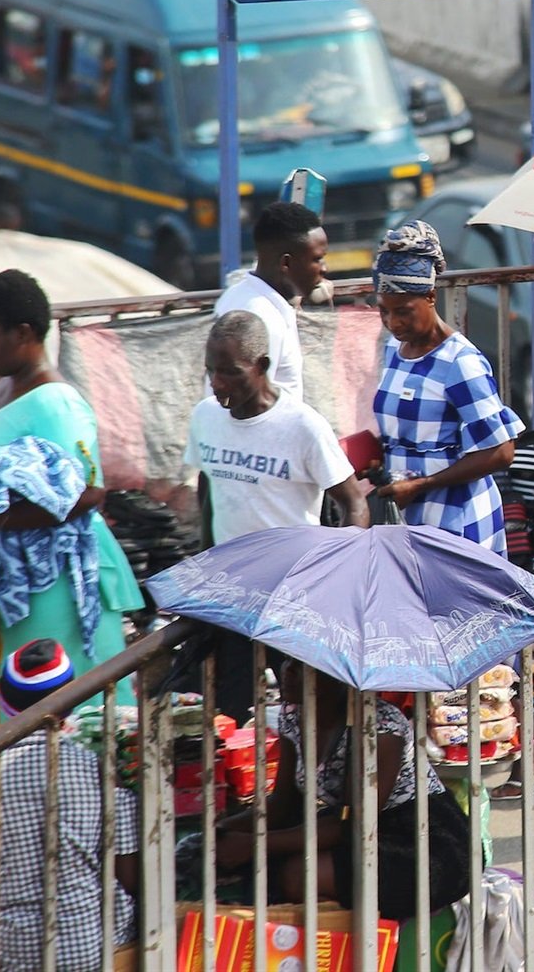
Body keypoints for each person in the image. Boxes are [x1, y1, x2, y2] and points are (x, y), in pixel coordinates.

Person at [0, 271, 142, 750]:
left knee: (63, 725)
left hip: (50, 590)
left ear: (25, 335)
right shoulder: (5, 389)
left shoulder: (55, 401)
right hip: (3, 585)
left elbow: (88, 493)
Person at [184, 311, 368, 720]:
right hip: (231, 592)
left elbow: (353, 502)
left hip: (292, 593)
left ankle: (308, 779)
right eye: (211, 371)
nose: (217, 383)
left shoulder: (301, 426)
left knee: (303, 707)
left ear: (262, 366)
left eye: (230, 372)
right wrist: (204, 559)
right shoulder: (205, 417)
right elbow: (207, 484)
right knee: (230, 710)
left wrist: (341, 570)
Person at [215, 658, 470, 922]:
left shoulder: (378, 725)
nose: (288, 670)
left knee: (297, 874)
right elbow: (283, 802)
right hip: (359, 831)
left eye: (304, 664)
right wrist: (219, 833)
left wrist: (254, 843)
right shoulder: (293, 713)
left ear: (340, 676)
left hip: (421, 840)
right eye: (288, 659)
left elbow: (351, 823)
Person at [0, 640, 140, 972]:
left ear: (3, 700)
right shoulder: (99, 769)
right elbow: (129, 876)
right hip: (97, 945)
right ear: (70, 703)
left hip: (7, 949)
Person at [372, 221, 525, 552]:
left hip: (457, 524)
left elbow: (500, 452)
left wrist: (423, 485)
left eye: (403, 312)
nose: (393, 322)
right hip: (408, 522)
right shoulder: (391, 350)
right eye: (384, 311)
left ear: (430, 296)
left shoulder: (460, 363)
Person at [214, 202, 329, 401]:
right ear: (286, 263)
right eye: (317, 259)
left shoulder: (236, 295)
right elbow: (248, 405)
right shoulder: (262, 319)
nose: (324, 268)